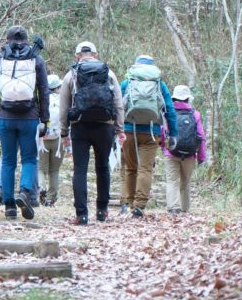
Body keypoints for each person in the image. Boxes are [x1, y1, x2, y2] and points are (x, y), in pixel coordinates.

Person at [59, 41, 125, 225]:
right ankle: (102, 211)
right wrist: (119, 128)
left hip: (79, 126)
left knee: (80, 169)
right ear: (95, 55)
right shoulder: (109, 74)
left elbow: (64, 106)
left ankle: (82, 214)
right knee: (103, 167)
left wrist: (64, 132)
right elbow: (118, 103)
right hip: (105, 126)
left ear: (77, 56)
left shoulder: (71, 74)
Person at [0, 25, 49, 220]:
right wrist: (45, 119)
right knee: (29, 158)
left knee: (8, 160)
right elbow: (44, 91)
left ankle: (9, 206)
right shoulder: (36, 59)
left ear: (7, 40)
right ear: (26, 40)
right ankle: (24, 192)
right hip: (29, 117)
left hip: (5, 117)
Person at [120, 55, 178, 218]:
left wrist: (115, 130)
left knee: (130, 168)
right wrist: (173, 134)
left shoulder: (127, 82)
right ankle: (139, 206)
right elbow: (169, 110)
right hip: (151, 132)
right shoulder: (159, 84)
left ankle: (128, 203)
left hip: (129, 129)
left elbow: (116, 106)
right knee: (145, 169)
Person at [163, 84, 206, 214]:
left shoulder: (168, 113)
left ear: (174, 98)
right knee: (185, 182)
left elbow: (163, 132)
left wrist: (163, 148)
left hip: (171, 153)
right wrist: (201, 157)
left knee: (172, 180)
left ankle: (173, 208)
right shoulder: (195, 114)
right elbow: (201, 136)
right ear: (188, 99)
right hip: (190, 155)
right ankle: (185, 208)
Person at [38, 74, 64, 207]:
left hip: (42, 139)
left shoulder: (41, 99)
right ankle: (51, 198)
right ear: (57, 88)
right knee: (54, 170)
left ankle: (41, 188)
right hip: (58, 140)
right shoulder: (63, 100)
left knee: (41, 169)